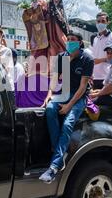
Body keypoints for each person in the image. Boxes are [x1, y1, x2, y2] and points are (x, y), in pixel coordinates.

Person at [39, 32, 94, 184]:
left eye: (73, 40)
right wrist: (49, 93)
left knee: (68, 123)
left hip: (79, 97)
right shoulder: (62, 57)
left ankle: (54, 166)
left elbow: (83, 87)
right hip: (64, 93)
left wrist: (69, 105)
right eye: (68, 40)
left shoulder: (87, 59)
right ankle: (60, 153)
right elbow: (55, 78)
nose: (69, 42)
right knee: (49, 109)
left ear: (80, 43)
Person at [89, 12, 112, 90]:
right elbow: (93, 58)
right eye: (98, 21)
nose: (100, 23)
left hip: (109, 76)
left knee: (105, 100)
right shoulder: (95, 38)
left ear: (108, 22)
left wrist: (103, 60)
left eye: (103, 21)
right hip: (95, 77)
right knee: (95, 101)